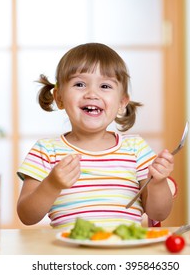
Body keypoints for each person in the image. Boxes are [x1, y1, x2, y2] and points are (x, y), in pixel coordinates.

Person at [17, 43, 176, 230]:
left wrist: (158, 182)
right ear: (59, 97)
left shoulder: (136, 148)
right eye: (80, 84)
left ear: (121, 102)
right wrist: (51, 184)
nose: (92, 94)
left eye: (105, 86)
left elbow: (159, 214)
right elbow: (26, 216)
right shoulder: (46, 150)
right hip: (71, 253)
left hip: (124, 250)